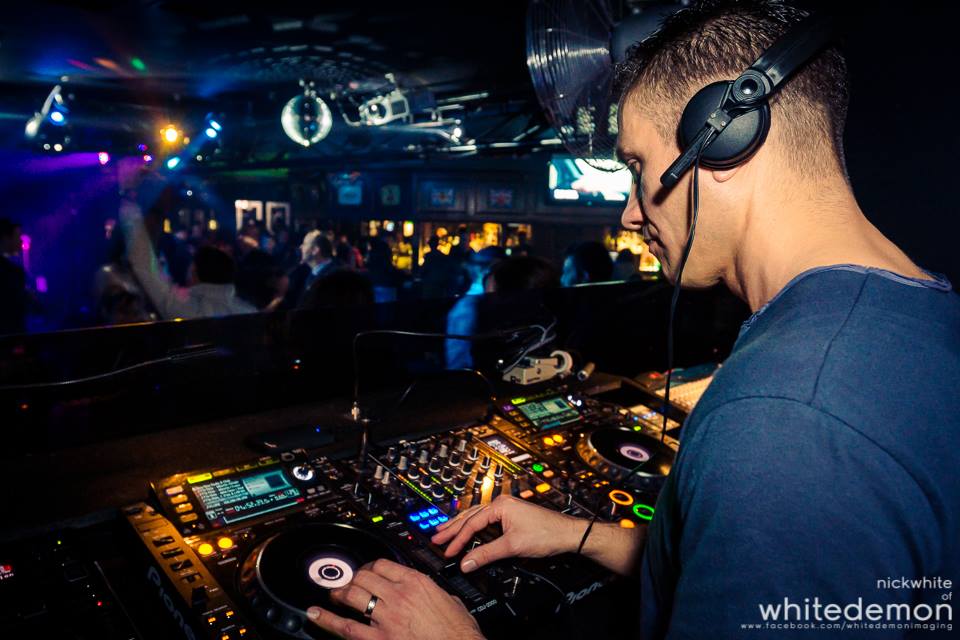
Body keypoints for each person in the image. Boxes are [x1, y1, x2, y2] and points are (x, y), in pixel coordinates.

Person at [304, 2, 960, 639]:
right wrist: (582, 535)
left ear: (726, 139)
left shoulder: (784, 422)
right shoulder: (922, 311)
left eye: (638, 166)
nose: (629, 213)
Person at [119, 200, 256, 319]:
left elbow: (145, 267)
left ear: (194, 273)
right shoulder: (249, 311)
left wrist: (130, 213)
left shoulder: (187, 309)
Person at [284, 229, 336, 309]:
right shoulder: (308, 272)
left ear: (315, 250)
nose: (301, 247)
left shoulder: (332, 277)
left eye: (305, 244)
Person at [0, 218, 27, 335]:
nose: (21, 242)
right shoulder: (13, 272)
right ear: (6, 238)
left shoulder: (14, 271)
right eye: (18, 237)